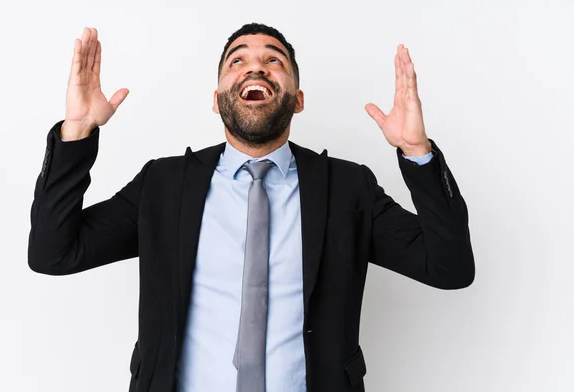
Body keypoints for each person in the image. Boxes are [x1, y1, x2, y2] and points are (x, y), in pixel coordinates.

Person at [28, 23, 475, 392]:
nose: (254, 67)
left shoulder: (347, 187)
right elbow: (54, 253)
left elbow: (450, 269)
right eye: (236, 60)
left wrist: (417, 152)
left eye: (273, 60)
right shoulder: (163, 184)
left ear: (297, 100)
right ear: (218, 97)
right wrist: (77, 133)